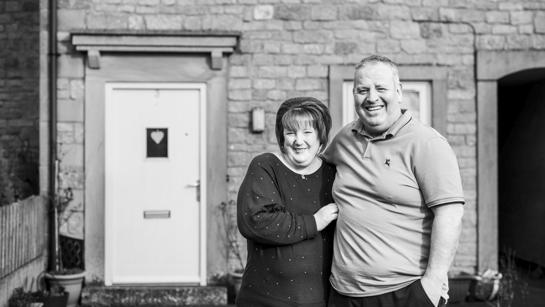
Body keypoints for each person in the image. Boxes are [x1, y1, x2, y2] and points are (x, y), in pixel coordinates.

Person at [323, 55, 465, 307]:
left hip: (404, 292)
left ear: (398, 91)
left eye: (381, 88)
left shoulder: (427, 143)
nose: (371, 97)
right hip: (343, 293)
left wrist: (433, 282)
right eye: (362, 90)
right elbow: (313, 173)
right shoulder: (345, 138)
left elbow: (450, 215)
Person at [236, 97, 339, 307]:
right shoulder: (265, 166)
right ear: (281, 137)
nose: (298, 141)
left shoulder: (333, 173)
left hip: (320, 299)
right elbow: (255, 221)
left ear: (321, 137)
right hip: (264, 299)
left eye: (307, 132)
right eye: (291, 132)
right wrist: (314, 222)